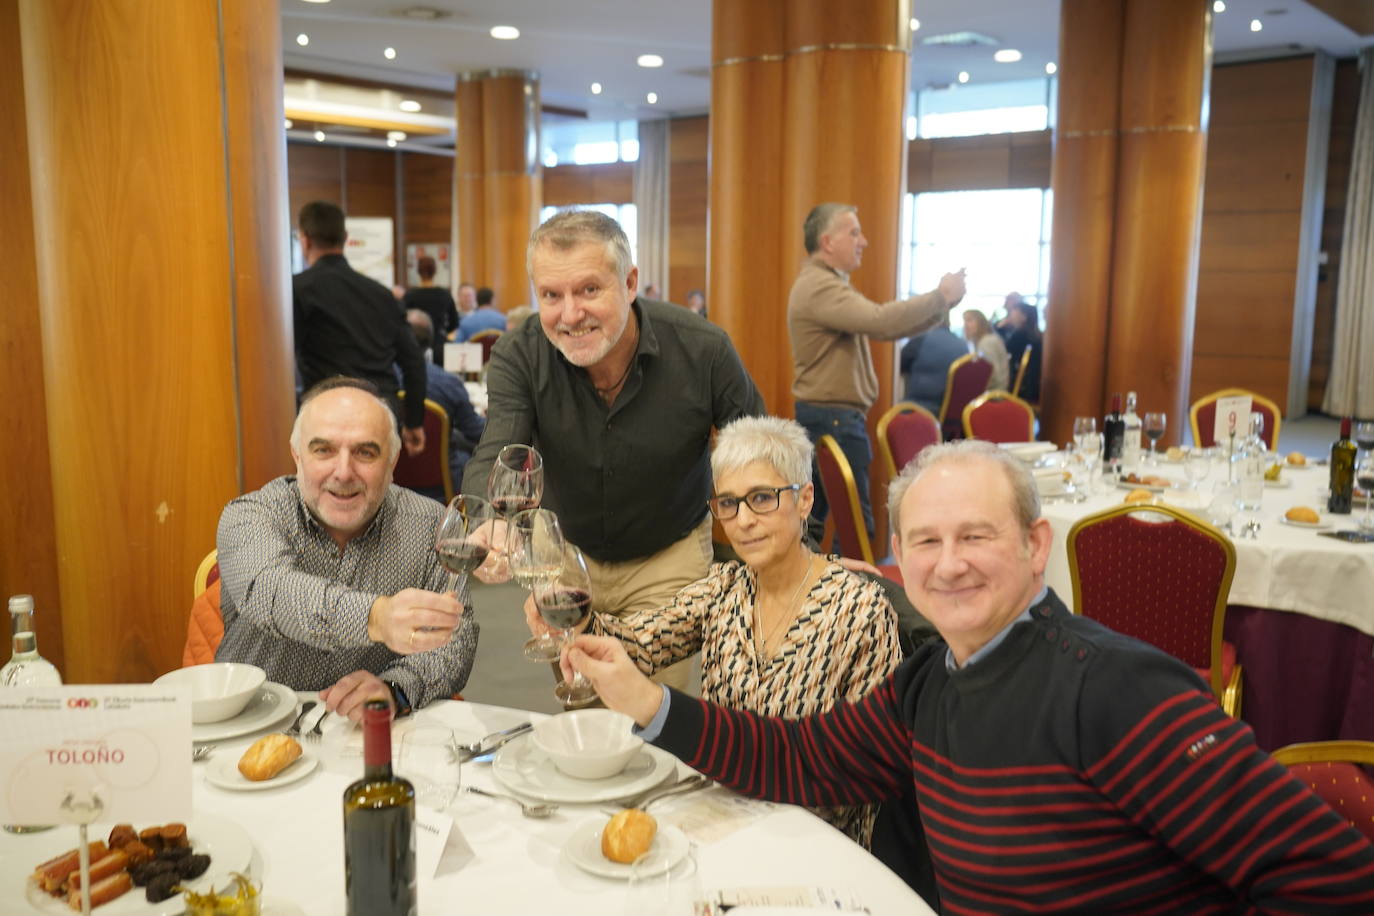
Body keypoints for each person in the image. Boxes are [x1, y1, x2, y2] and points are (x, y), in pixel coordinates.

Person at [566, 440, 1374, 912]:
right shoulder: (930, 687)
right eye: (924, 542)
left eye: (975, 536)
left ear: (1034, 546)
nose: (947, 565)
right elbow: (798, 757)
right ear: (898, 562)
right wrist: (647, 701)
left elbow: (1331, 878)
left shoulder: (1116, 691)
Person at [524, 416, 902, 845]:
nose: (742, 520)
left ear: (805, 499)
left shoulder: (858, 610)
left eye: (762, 498)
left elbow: (864, 773)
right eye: (727, 503)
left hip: (813, 837)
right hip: (717, 816)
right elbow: (638, 643)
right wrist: (575, 615)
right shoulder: (724, 587)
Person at [465, 209, 765, 689]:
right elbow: (501, 445)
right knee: (580, 698)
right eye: (551, 295)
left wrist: (800, 556)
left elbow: (759, 458)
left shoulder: (702, 350)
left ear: (629, 283)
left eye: (589, 290)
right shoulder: (519, 354)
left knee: (652, 712)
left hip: (667, 557)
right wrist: (492, 523)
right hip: (561, 556)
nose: (570, 314)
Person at [215, 378, 477, 722]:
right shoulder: (249, 516)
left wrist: (395, 688)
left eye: (365, 452)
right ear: (297, 455)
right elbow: (271, 592)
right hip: (253, 730)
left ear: (393, 460)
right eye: (323, 450)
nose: (343, 472)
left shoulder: (433, 527)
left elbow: (455, 640)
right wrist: (376, 618)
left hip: (373, 737)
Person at [788, 202, 966, 542]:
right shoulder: (820, 286)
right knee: (855, 529)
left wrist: (940, 304)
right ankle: (844, 595)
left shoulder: (824, 283)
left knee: (818, 523)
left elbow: (882, 324)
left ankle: (823, 594)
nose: (864, 241)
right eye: (853, 232)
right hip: (834, 419)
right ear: (827, 243)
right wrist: (940, 297)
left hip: (832, 417)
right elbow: (880, 322)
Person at [292, 201, 426, 456]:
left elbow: (282, 365)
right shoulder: (383, 295)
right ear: (345, 239)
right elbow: (414, 362)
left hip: (325, 417)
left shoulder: (296, 291)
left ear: (305, 240)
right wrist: (415, 421)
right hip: (380, 415)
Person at [402, 310, 487, 493]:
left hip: (391, 482)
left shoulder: (381, 381)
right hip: (442, 484)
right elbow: (475, 431)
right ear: (431, 343)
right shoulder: (448, 382)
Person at [898, 316, 968, 416]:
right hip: (956, 412)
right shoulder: (963, 344)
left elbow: (897, 367)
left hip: (923, 407)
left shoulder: (921, 340)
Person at [401, 256, 459, 368]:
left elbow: (402, 321)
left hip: (415, 345)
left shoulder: (410, 296)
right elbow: (454, 323)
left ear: (418, 271)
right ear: (435, 271)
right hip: (440, 347)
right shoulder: (444, 295)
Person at [998, 300, 1042, 402]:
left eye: (1014, 312)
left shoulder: (1020, 334)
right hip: (1032, 384)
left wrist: (1000, 328)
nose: (1010, 316)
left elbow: (1003, 350)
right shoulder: (1036, 334)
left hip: (1023, 387)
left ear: (1024, 317)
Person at [962, 309, 1010, 393]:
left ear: (981, 323)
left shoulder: (987, 342)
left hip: (994, 393)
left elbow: (992, 374)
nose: (965, 325)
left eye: (969, 320)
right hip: (994, 390)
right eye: (964, 321)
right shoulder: (985, 339)